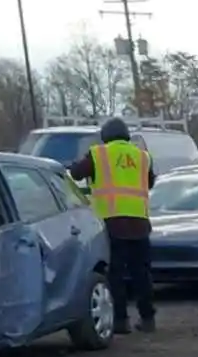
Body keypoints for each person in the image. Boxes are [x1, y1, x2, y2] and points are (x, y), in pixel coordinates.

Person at [67, 118, 158, 334]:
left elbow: (76, 173)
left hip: (112, 223)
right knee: (142, 274)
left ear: (105, 136)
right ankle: (148, 319)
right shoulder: (143, 157)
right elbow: (150, 182)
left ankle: (120, 321)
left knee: (115, 274)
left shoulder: (98, 154)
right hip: (140, 224)